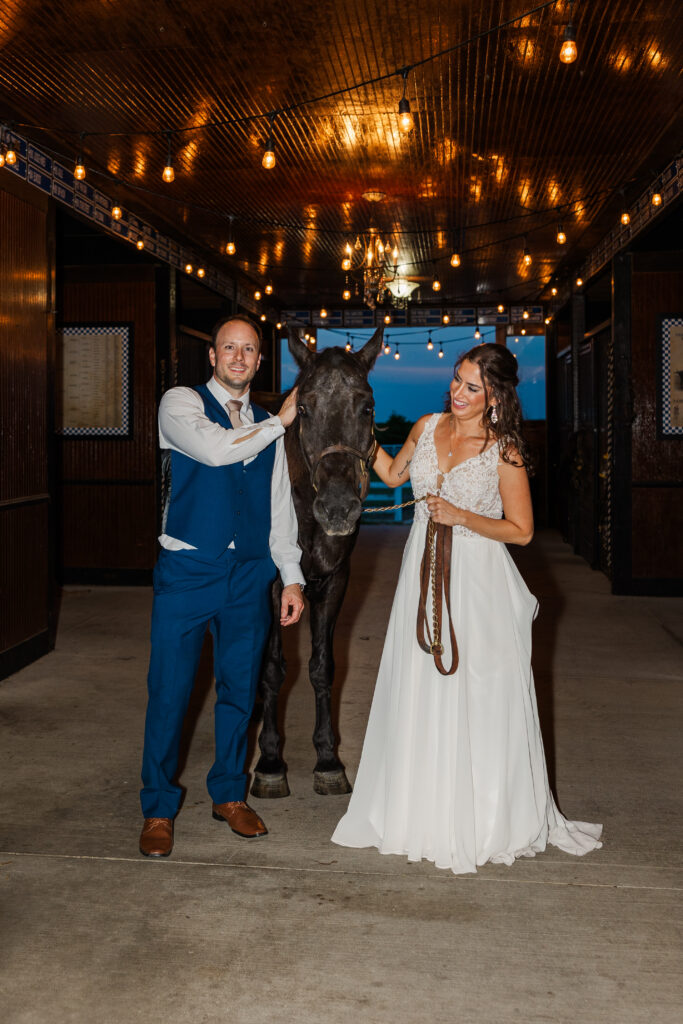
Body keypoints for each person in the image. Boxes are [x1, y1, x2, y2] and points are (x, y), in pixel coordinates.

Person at [332, 342, 602, 874]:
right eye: (456, 380)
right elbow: (390, 475)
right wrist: (356, 438)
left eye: (472, 387)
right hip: (422, 570)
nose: (458, 392)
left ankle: (483, 815)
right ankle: (420, 809)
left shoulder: (505, 451)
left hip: (478, 582)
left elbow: (521, 531)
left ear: (496, 396)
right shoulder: (427, 426)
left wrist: (459, 515)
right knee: (422, 684)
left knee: (479, 691)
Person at [139, 315, 305, 858]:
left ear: (260, 361)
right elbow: (215, 450)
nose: (238, 357)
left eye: (249, 350)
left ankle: (229, 795)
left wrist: (292, 578)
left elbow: (280, 507)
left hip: (249, 575)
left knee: (240, 690)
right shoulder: (180, 403)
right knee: (170, 691)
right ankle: (159, 808)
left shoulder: (266, 425)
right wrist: (280, 423)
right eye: (228, 348)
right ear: (212, 356)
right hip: (188, 572)